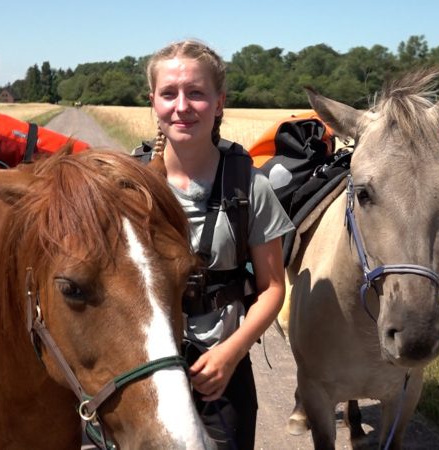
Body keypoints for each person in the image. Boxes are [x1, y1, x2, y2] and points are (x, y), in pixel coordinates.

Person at [142, 40, 294, 449]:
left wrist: (230, 355)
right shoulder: (130, 184)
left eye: (196, 93)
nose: (182, 106)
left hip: (220, 370)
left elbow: (273, 288)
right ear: (153, 100)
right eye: (169, 93)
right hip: (144, 369)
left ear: (219, 102)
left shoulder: (250, 187)